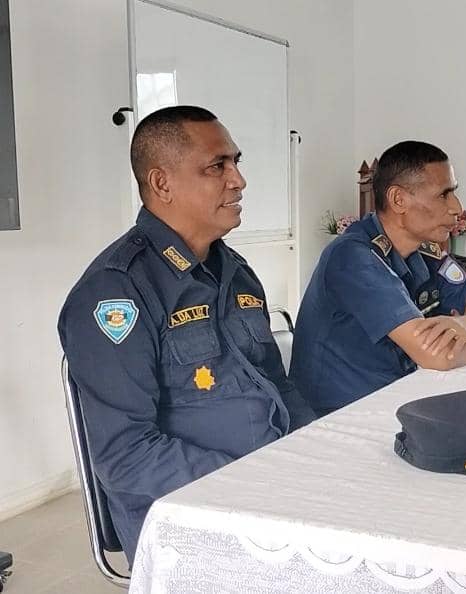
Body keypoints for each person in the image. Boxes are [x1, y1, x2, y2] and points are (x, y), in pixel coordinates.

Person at [58, 105, 314, 565]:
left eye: (236, 162)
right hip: (194, 520)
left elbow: (278, 386)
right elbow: (126, 455)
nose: (239, 180)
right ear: (162, 184)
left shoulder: (235, 272)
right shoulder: (117, 291)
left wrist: (318, 450)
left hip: (275, 491)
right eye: (217, 166)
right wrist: (254, 482)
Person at [290, 140, 466, 416]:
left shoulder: (425, 253)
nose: (457, 207)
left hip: (397, 399)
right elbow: (438, 357)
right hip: (338, 417)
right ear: (398, 200)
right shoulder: (353, 256)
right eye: (444, 195)